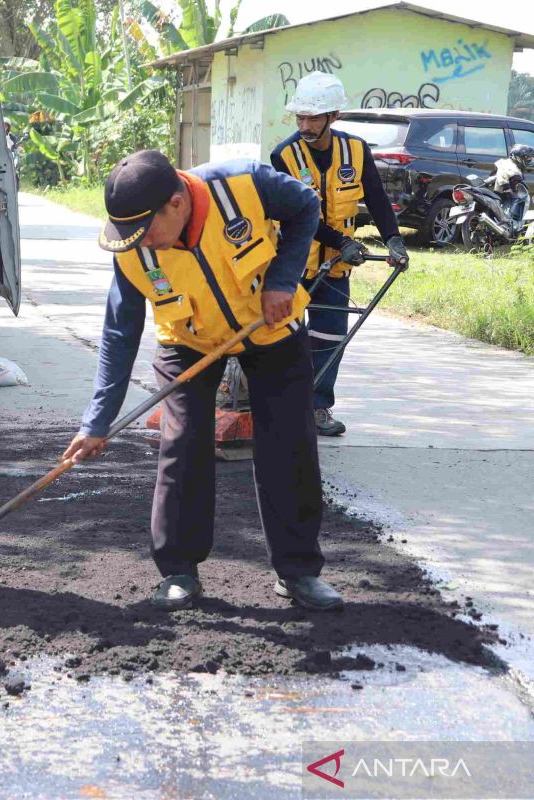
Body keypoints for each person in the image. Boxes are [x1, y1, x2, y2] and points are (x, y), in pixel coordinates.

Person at [63, 149, 345, 612]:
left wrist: (282, 277)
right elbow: (120, 330)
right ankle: (178, 570)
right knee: (183, 442)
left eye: (146, 230)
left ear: (177, 202)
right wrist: (97, 422)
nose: (141, 243)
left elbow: (306, 207)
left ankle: (297, 572)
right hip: (188, 341)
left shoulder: (244, 184)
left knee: (288, 444)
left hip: (269, 329)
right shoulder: (131, 243)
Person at [270, 71, 408, 437]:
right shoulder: (283, 155)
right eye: (300, 117)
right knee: (287, 336)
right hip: (294, 264)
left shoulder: (356, 150)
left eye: (313, 117)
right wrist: (340, 240)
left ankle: (317, 407)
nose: (305, 125)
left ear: (334, 116)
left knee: (331, 337)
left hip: (336, 268)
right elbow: (296, 216)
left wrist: (393, 239)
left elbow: (376, 198)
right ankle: (281, 406)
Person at [486, 144, 534, 226]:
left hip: (498, 193)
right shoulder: (510, 166)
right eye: (526, 158)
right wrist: (507, 189)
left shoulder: (508, 164)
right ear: (518, 157)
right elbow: (502, 176)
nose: (528, 160)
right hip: (501, 193)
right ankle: (507, 221)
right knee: (515, 201)